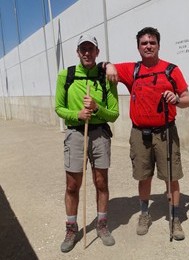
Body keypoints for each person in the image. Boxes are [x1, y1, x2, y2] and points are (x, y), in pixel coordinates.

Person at [105, 27, 189, 240]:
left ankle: (175, 217)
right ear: (138, 47)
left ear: (159, 45)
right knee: (143, 177)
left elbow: (188, 98)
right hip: (139, 134)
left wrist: (177, 100)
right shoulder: (132, 70)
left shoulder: (171, 70)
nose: (148, 46)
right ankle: (144, 214)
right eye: (144, 43)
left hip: (166, 133)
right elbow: (107, 65)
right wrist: (107, 65)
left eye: (152, 42)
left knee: (171, 177)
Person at [55, 34, 119, 252]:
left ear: (97, 52)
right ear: (77, 52)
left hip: (100, 134)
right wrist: (78, 114)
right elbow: (58, 108)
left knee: (101, 182)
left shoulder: (106, 77)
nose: (87, 52)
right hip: (75, 133)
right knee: (72, 185)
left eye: (91, 49)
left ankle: (102, 225)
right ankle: (71, 228)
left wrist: (96, 107)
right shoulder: (67, 75)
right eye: (83, 49)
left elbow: (114, 113)